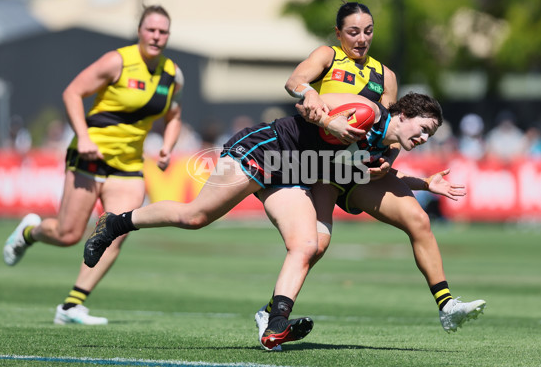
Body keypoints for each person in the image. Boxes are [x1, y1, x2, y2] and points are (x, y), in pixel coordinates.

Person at [82, 91, 442, 350]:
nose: (424, 138)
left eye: (430, 135)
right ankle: (115, 223)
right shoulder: (365, 110)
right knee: (195, 217)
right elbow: (308, 102)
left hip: (295, 171)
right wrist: (330, 119)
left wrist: (424, 183)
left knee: (306, 244)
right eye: (423, 128)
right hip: (268, 147)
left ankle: (275, 324)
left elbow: (365, 175)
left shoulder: (385, 150)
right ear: (404, 114)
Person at [254, 1, 485, 348]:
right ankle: (271, 313)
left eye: (368, 31)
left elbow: (392, 129)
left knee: (418, 218)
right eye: (353, 32)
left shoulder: (385, 76)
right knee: (315, 245)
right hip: (320, 165)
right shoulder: (327, 56)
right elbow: (295, 83)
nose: (362, 39)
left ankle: (447, 305)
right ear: (339, 33)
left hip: (359, 169)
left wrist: (388, 162)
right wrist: (314, 98)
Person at [3, 5, 184, 325]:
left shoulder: (171, 73)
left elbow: (173, 115)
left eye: (163, 31)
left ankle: (71, 306)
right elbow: (73, 92)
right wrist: (83, 137)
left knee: (115, 233)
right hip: (90, 158)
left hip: (128, 167)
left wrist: (168, 147)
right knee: (68, 234)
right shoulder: (118, 61)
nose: (157, 36)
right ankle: (29, 232)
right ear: (140, 31)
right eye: (151, 29)